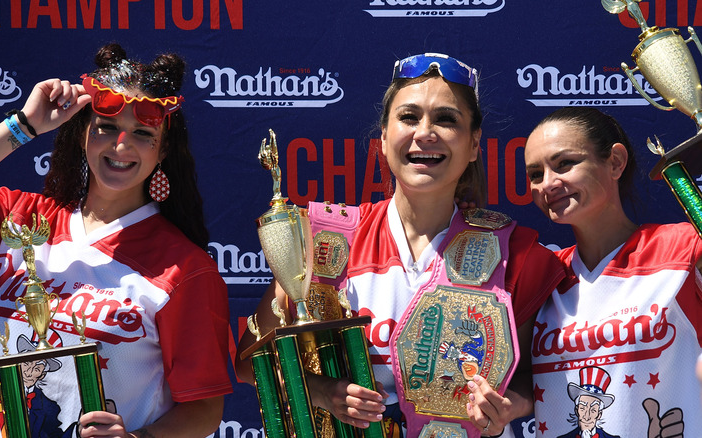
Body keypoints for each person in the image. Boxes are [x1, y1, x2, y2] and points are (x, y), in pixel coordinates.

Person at [235, 53, 566, 438]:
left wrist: (512, 405)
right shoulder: (323, 240)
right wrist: (323, 391)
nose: (425, 133)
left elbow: (529, 377)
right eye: (409, 117)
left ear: (474, 143)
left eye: (446, 119)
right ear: (383, 137)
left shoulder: (514, 253)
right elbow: (251, 364)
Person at [0, 43, 232, 437]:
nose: (121, 146)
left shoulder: (184, 269)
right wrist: (23, 126)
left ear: (164, 149)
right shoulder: (20, 220)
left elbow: (204, 408)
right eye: (107, 127)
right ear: (82, 133)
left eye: (142, 133)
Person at [524, 106, 701, 437]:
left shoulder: (683, 247)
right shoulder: (540, 274)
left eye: (564, 164)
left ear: (615, 162)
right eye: (535, 174)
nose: (548, 183)